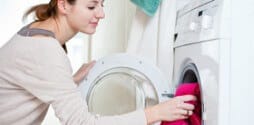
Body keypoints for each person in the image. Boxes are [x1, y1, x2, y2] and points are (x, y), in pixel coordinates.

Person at [0, 0, 196, 125]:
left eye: (103, 5)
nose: (101, 14)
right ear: (63, 5)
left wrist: (68, 80)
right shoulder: (46, 50)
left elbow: (29, 78)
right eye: (92, 6)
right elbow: (81, 123)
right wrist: (154, 113)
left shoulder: (37, 33)